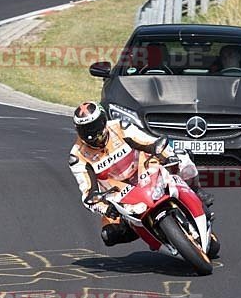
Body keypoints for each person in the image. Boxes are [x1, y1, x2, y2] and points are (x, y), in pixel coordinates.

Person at [69, 102, 214, 247]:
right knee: (109, 235)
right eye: (85, 129)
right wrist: (105, 208)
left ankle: (195, 190)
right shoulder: (77, 157)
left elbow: (149, 142)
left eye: (94, 126)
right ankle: (146, 232)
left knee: (182, 159)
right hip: (118, 194)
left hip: (145, 170)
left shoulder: (120, 127)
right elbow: (88, 192)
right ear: (78, 130)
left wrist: (168, 155)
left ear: (104, 120)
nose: (92, 133)